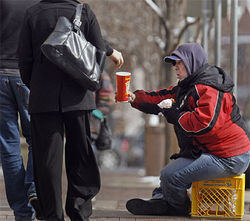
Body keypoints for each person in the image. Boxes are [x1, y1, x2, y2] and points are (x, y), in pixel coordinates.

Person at [18, 0, 123, 220]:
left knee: (47, 158)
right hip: (79, 97)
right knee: (80, 154)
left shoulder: (33, 13)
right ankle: (79, 209)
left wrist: (36, 84)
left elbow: (24, 59)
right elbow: (98, 49)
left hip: (43, 98)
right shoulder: (83, 11)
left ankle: (51, 213)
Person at [126, 43, 250, 216]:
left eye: (179, 63)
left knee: (170, 176)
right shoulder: (187, 87)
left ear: (192, 62)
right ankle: (162, 199)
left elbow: (205, 123)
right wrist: (134, 97)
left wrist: (175, 115)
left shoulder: (209, 88)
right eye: (173, 64)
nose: (175, 67)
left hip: (230, 157)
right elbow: (160, 98)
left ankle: (177, 208)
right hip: (210, 151)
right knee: (169, 175)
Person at [0, 0, 40, 220]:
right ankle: (33, 187)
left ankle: (22, 212)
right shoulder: (40, 4)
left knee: (8, 147)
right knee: (37, 138)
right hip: (27, 76)